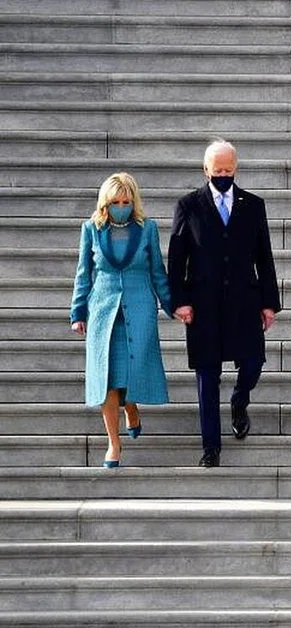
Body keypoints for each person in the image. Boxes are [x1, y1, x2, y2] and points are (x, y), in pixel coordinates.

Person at [167, 139, 281, 468]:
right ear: (206, 170)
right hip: (203, 304)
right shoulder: (188, 205)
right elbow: (177, 260)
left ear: (236, 169)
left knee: (253, 364)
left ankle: (240, 399)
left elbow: (265, 257)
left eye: (228, 170)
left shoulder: (253, 205)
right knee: (206, 376)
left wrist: (269, 303)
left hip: (245, 300)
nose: (222, 175)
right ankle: (211, 448)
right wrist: (179, 301)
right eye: (217, 170)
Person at [69, 172, 173, 468]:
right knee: (107, 379)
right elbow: (83, 273)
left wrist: (172, 306)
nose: (122, 206)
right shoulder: (91, 229)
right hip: (103, 312)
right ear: (106, 202)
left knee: (132, 369)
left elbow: (157, 272)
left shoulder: (147, 229)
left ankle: (133, 409)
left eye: (127, 201)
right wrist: (78, 312)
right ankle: (114, 444)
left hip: (139, 309)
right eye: (116, 201)